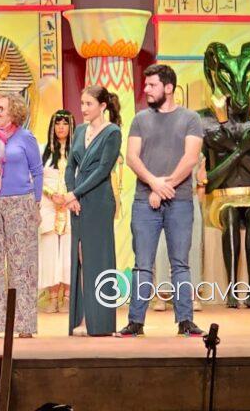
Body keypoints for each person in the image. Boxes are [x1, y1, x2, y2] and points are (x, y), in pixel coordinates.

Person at [119, 65, 205, 337]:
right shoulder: (140, 119)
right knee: (142, 264)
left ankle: (185, 320)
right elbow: (132, 157)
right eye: (146, 85)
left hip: (179, 201)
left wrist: (164, 187)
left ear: (168, 88)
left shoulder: (190, 118)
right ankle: (136, 321)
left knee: (180, 263)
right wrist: (154, 183)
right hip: (145, 201)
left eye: (152, 85)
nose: (146, 89)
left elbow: (190, 158)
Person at [0, 93, 43, 338]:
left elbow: (37, 171)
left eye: (0, 108)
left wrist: (36, 204)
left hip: (20, 204)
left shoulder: (26, 138)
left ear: (14, 112)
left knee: (22, 265)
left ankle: (24, 324)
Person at [65, 86, 123, 337]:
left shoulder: (112, 132)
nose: (84, 108)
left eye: (89, 103)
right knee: (80, 256)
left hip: (99, 200)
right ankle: (82, 317)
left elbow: (102, 170)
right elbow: (70, 166)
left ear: (102, 106)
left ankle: (99, 321)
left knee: (97, 257)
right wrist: (71, 194)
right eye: (82, 103)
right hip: (78, 200)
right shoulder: (79, 130)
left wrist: (75, 193)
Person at [40, 110, 74, 313]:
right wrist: (51, 195)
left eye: (65, 123)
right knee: (50, 250)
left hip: (71, 203)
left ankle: (68, 297)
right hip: (48, 204)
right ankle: (52, 297)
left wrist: (69, 196)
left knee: (69, 250)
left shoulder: (78, 151)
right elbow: (35, 178)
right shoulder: (42, 151)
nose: (61, 127)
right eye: (58, 123)